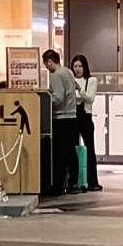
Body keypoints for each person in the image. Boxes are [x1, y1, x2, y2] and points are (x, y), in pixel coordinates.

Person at [43, 50, 79, 195]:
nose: (47, 67)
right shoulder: (68, 72)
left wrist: (45, 99)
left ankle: (58, 185)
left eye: (46, 64)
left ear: (50, 61)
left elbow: (58, 98)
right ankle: (73, 183)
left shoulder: (56, 75)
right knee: (70, 151)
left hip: (61, 118)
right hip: (72, 116)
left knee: (60, 153)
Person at [71, 55, 101, 192]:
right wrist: (80, 94)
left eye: (80, 66)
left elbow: (90, 98)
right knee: (72, 149)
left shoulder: (91, 80)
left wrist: (79, 90)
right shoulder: (70, 80)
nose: (77, 69)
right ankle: (74, 182)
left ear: (85, 67)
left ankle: (93, 181)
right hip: (73, 117)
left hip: (86, 118)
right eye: (75, 66)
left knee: (90, 148)